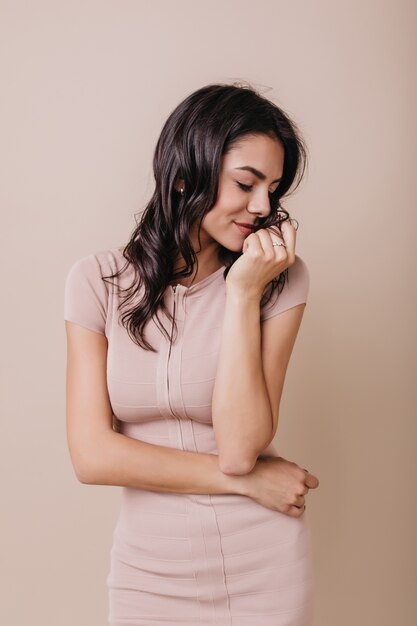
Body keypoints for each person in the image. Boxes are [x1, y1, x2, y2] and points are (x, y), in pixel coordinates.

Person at [64, 82, 320, 626]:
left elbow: (240, 446)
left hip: (264, 566)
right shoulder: (98, 283)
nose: (263, 207)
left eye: (273, 189)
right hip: (147, 573)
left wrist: (244, 292)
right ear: (184, 176)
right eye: (246, 183)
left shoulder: (279, 281)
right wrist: (246, 482)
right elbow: (92, 455)